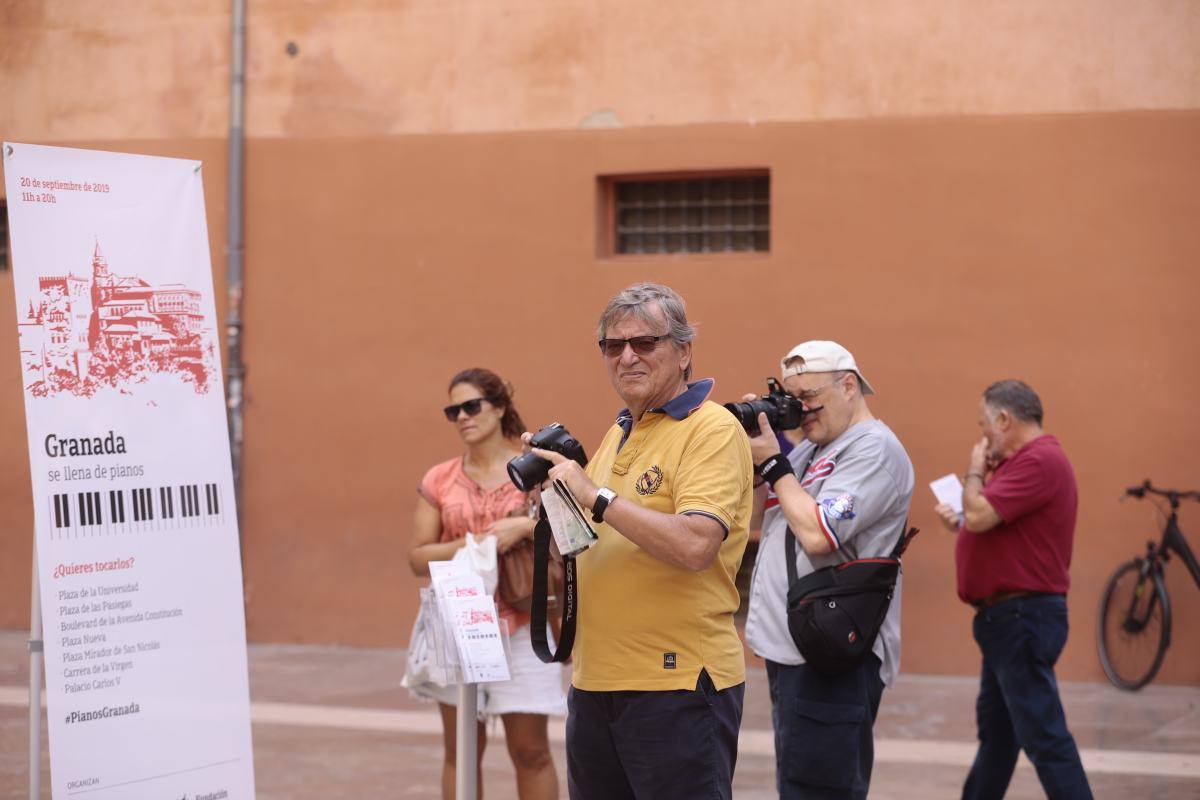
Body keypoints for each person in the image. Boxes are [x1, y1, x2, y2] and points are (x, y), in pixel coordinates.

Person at [525, 282, 753, 800]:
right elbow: (585, 549)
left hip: (676, 684)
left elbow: (696, 545)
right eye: (613, 345)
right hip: (595, 683)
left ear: (684, 351)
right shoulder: (621, 431)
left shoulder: (711, 429)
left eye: (645, 342)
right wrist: (556, 503)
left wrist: (595, 495)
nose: (627, 356)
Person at [743, 340, 914, 800]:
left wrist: (774, 463)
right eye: (791, 399)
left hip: (834, 654)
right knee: (799, 784)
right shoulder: (810, 452)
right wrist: (756, 459)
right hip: (798, 651)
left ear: (849, 386)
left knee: (820, 789)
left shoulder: (874, 450)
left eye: (809, 399)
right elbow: (762, 518)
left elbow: (820, 533)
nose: (801, 411)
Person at [407, 368, 565, 800]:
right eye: (453, 411)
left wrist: (524, 528)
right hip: (458, 622)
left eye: (471, 406)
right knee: (460, 751)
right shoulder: (440, 478)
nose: (462, 417)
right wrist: (478, 542)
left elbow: (570, 533)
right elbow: (417, 557)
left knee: (531, 751)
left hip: (524, 622)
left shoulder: (535, 469)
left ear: (499, 407)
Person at [933, 380, 1092, 800]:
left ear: (1004, 419)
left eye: (984, 424)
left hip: (1021, 618)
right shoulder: (1022, 463)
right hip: (1008, 620)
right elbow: (986, 522)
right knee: (1000, 739)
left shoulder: (1039, 460)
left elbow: (981, 514)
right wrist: (963, 518)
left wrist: (974, 472)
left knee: (1045, 738)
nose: (982, 436)